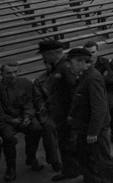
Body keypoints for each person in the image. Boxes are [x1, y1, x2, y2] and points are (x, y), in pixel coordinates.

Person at [65, 48, 113, 183]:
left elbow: (99, 108)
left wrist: (93, 132)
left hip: (95, 130)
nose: (69, 65)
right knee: (85, 158)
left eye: (71, 62)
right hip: (84, 126)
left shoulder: (92, 77)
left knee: (104, 160)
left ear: (82, 62)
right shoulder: (82, 75)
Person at [36, 39, 80, 180]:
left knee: (75, 147)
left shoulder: (66, 67)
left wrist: (73, 117)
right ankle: (69, 171)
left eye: (44, 54)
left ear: (52, 53)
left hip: (69, 116)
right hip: (60, 116)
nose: (42, 57)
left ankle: (86, 174)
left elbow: (76, 93)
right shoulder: (56, 66)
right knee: (64, 146)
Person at [0, 63, 43, 181]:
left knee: (36, 129)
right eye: (8, 73)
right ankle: (11, 167)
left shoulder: (26, 83)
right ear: (2, 74)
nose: (12, 75)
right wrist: (11, 120)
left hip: (23, 116)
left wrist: (27, 116)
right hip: (6, 120)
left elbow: (30, 102)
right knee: (8, 137)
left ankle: (31, 157)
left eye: (15, 72)